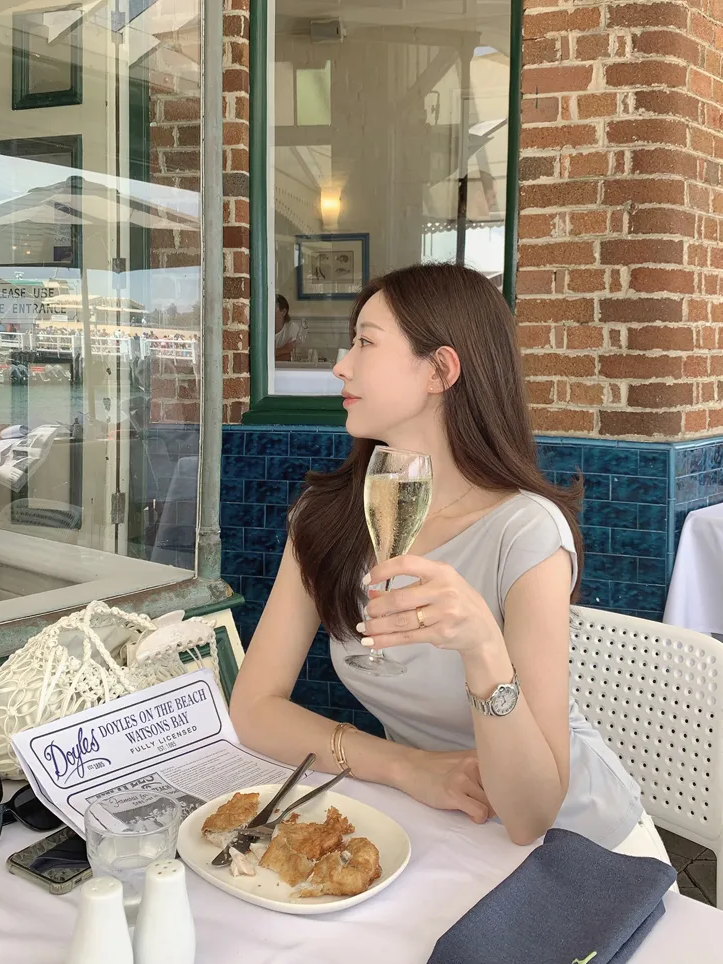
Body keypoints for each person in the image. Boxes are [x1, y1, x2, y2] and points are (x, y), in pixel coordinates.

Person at [231, 263, 665, 860]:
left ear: (440, 370)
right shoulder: (326, 519)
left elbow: (531, 816)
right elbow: (253, 710)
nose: (341, 365)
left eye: (365, 342)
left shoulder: (525, 532)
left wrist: (483, 649)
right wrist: (405, 766)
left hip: (581, 849)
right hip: (440, 826)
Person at [274, 294, 300, 362]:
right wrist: (284, 349)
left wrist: (275, 353)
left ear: (283, 312)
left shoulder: (292, 328)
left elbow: (289, 357)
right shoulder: (261, 329)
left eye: (273, 308)